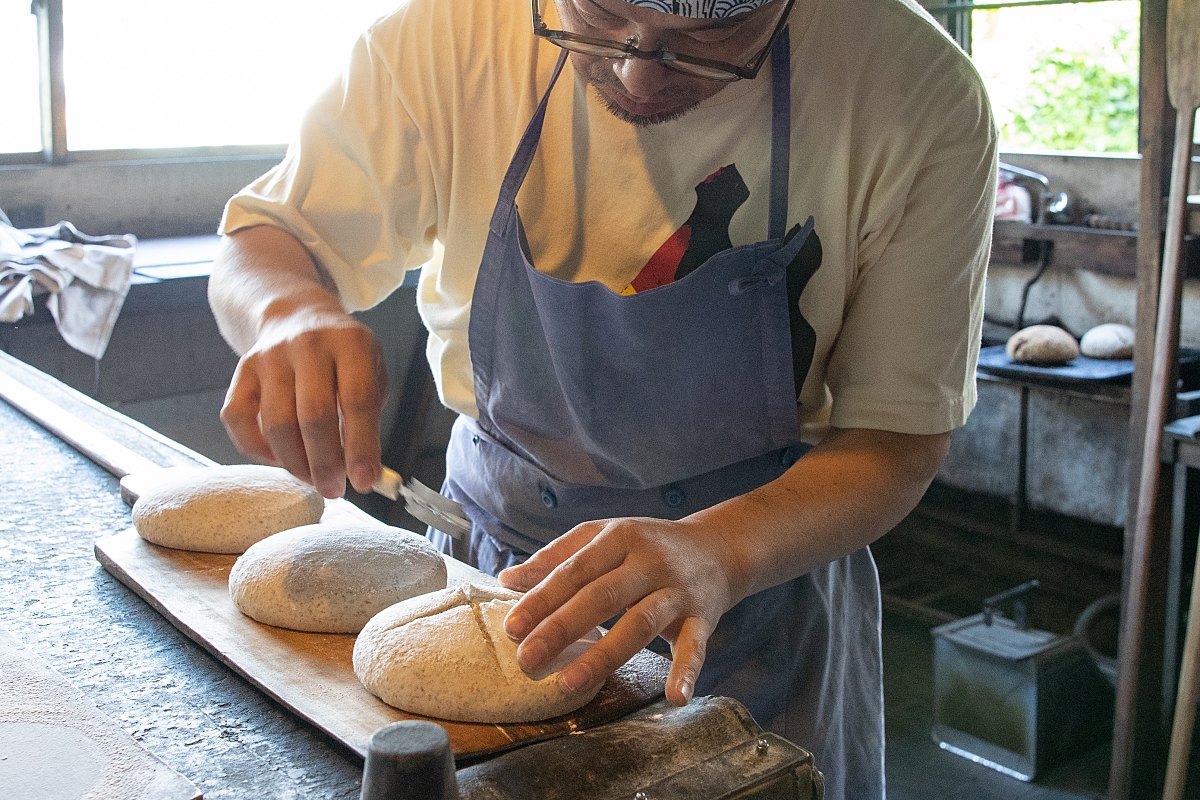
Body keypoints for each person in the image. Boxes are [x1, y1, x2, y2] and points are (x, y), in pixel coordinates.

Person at [209, 0, 996, 795]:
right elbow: (270, 241)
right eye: (598, 13)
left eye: (708, 43)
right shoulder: (444, 36)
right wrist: (287, 313)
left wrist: (719, 549)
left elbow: (896, 441)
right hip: (493, 578)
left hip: (760, 596)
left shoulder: (914, 91)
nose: (638, 70)